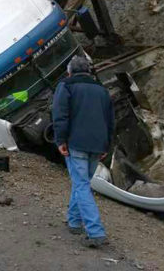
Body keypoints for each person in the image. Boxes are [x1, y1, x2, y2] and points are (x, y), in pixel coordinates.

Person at [52, 55, 115, 248]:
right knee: (82, 183)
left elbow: (60, 114)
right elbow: (110, 121)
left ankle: (95, 231)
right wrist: (106, 146)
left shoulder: (66, 86)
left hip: (76, 143)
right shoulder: (102, 90)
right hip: (98, 145)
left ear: (69, 71)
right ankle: (74, 221)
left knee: (81, 186)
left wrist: (60, 140)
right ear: (88, 71)